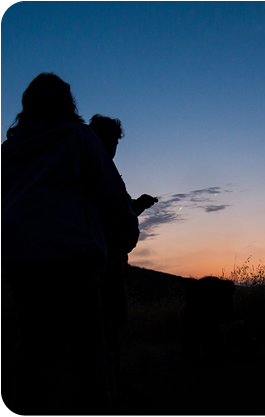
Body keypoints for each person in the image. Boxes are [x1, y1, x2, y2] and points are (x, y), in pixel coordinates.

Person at [2, 73, 140, 415]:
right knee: (87, 347)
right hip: (73, 255)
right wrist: (127, 235)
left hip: (21, 257)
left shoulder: (8, 151)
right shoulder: (79, 137)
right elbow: (111, 193)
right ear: (69, 103)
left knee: (31, 346)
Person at [89, 114, 157, 406]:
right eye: (106, 140)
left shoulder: (105, 169)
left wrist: (136, 206)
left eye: (114, 141)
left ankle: (112, 382)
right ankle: (108, 389)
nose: (111, 146)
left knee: (110, 322)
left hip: (110, 257)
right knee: (106, 321)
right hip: (100, 257)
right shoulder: (92, 168)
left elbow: (118, 209)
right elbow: (109, 212)